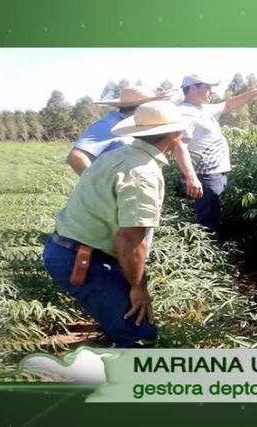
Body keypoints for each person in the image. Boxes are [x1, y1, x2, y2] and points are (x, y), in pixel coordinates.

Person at [43, 100, 188, 348]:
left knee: (122, 321)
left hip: (67, 249)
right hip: (81, 259)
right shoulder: (143, 172)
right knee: (138, 333)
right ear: (175, 136)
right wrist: (137, 287)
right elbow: (130, 239)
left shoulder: (116, 155)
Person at [179, 74, 257, 234]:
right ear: (192, 88)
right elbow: (179, 145)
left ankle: (213, 247)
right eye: (207, 87)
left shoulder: (203, 109)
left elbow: (230, 104)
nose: (212, 92)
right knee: (208, 221)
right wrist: (191, 177)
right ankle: (208, 253)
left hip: (215, 174)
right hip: (205, 175)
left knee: (215, 215)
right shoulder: (185, 113)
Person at [67, 85, 203, 199]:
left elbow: (177, 143)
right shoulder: (108, 124)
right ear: (140, 107)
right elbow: (76, 157)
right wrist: (103, 189)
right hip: (112, 200)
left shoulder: (139, 127)